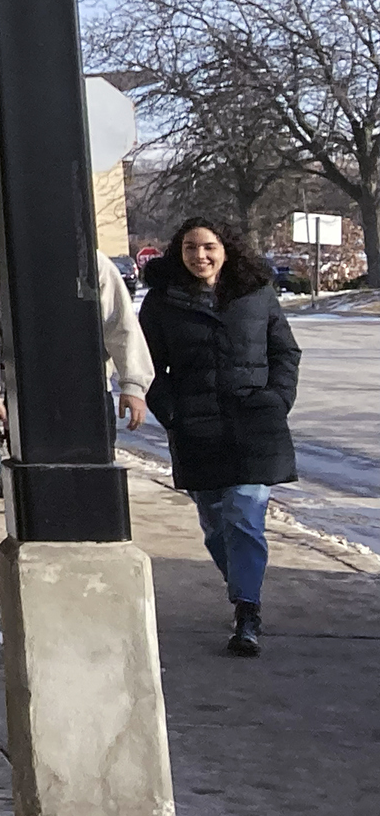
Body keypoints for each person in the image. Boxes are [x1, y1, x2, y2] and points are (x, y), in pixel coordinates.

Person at [138, 218, 300, 657]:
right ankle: (243, 590)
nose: (200, 256)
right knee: (215, 523)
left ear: (226, 249)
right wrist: (172, 414)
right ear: (180, 253)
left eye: (208, 246)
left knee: (245, 510)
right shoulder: (161, 303)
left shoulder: (255, 293)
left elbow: (284, 350)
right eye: (191, 248)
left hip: (254, 423)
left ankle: (248, 610)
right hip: (197, 426)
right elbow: (147, 367)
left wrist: (277, 400)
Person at [0, 202, 150, 494]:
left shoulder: (91, 262)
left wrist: (133, 384)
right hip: (24, 395)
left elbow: (120, 324)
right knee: (41, 488)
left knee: (94, 484)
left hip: (87, 390)